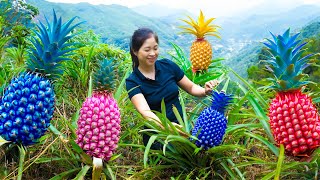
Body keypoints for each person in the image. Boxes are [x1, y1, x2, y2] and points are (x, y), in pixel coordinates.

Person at [125, 27, 219, 147]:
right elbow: (146, 113)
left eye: (155, 48)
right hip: (158, 137)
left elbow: (191, 87)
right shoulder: (133, 81)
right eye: (147, 50)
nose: (153, 53)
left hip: (182, 129)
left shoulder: (168, 66)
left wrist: (205, 90)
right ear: (135, 51)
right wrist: (169, 127)